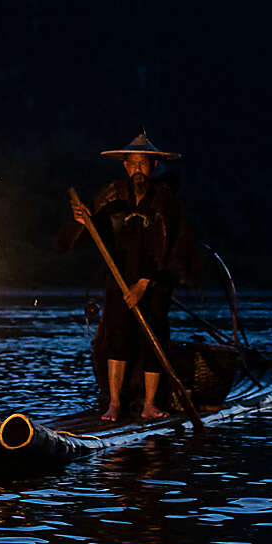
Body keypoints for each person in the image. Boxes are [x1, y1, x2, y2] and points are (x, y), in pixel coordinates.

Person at [57, 131, 195, 421]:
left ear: (153, 166)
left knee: (153, 338)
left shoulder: (166, 201)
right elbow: (85, 237)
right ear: (124, 166)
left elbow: (174, 247)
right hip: (118, 281)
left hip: (155, 284)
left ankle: (149, 405)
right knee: (117, 337)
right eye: (131, 165)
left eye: (142, 165)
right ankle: (115, 404)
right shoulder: (111, 195)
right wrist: (82, 222)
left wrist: (144, 283)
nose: (137, 170)